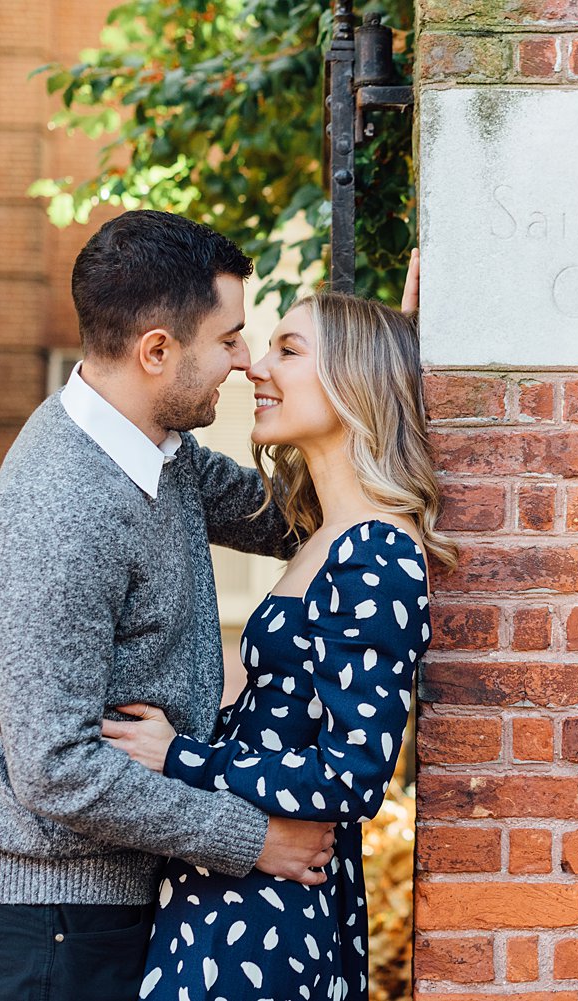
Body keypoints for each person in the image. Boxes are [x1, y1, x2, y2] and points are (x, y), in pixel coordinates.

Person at [0, 211, 344, 1001]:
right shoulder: (58, 512)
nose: (243, 362)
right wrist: (254, 837)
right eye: (229, 339)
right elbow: (58, 771)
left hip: (116, 900)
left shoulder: (161, 452)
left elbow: (284, 515)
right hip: (48, 926)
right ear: (157, 350)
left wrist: (369, 387)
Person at [103, 291, 455, 1001]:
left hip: (267, 911)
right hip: (237, 877)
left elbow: (353, 777)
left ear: (357, 379)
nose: (256, 368)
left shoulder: (377, 553)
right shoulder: (324, 535)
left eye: (287, 350)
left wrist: (179, 755)